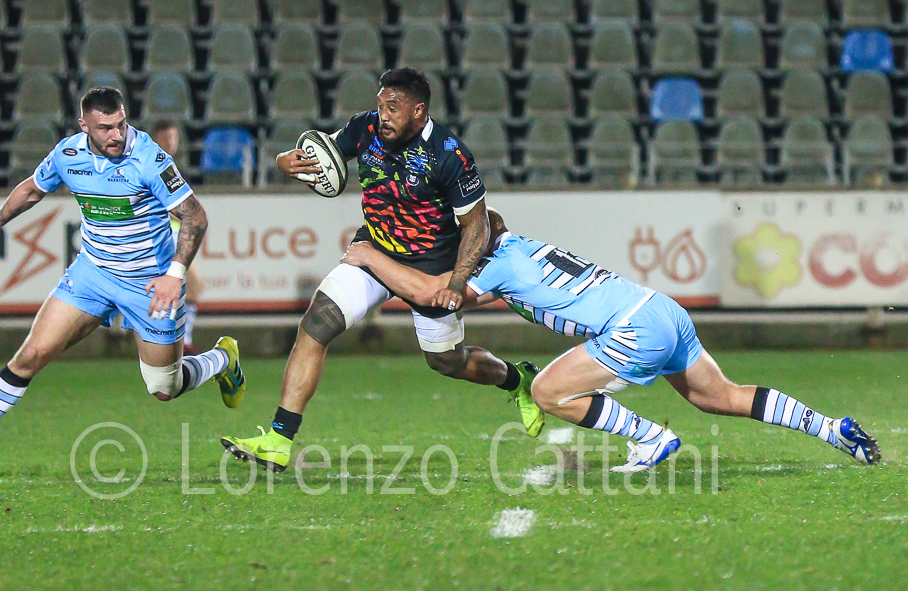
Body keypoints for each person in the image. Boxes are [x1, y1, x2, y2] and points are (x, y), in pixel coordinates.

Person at [341, 208, 881, 472]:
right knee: (721, 396)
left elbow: (440, 298)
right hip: (661, 309)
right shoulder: (519, 247)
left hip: (633, 328)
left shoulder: (496, 266)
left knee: (546, 392)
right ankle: (833, 429)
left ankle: (649, 437)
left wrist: (371, 257)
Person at [220, 68, 544, 473]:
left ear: (418, 111)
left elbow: (477, 225)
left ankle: (517, 379)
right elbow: (324, 159)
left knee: (447, 361)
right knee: (317, 323)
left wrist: (457, 282)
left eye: (393, 107)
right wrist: (287, 162)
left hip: (430, 269)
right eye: (380, 105)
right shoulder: (365, 128)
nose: (383, 115)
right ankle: (278, 440)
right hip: (372, 250)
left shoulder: (449, 154)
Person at [0, 88, 247, 476]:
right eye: (105, 128)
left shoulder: (150, 160)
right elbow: (32, 189)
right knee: (31, 355)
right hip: (93, 274)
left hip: (150, 282)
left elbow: (195, 216)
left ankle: (223, 359)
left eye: (121, 124)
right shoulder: (68, 154)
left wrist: (175, 276)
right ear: (84, 126)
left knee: (163, 388)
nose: (117, 135)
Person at [150, 120, 204, 356]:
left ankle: (180, 342)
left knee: (190, 287)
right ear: (156, 138)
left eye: (174, 137)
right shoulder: (151, 164)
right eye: (166, 137)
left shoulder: (170, 166)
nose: (171, 142)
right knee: (191, 285)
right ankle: (179, 342)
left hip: (172, 233)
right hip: (158, 235)